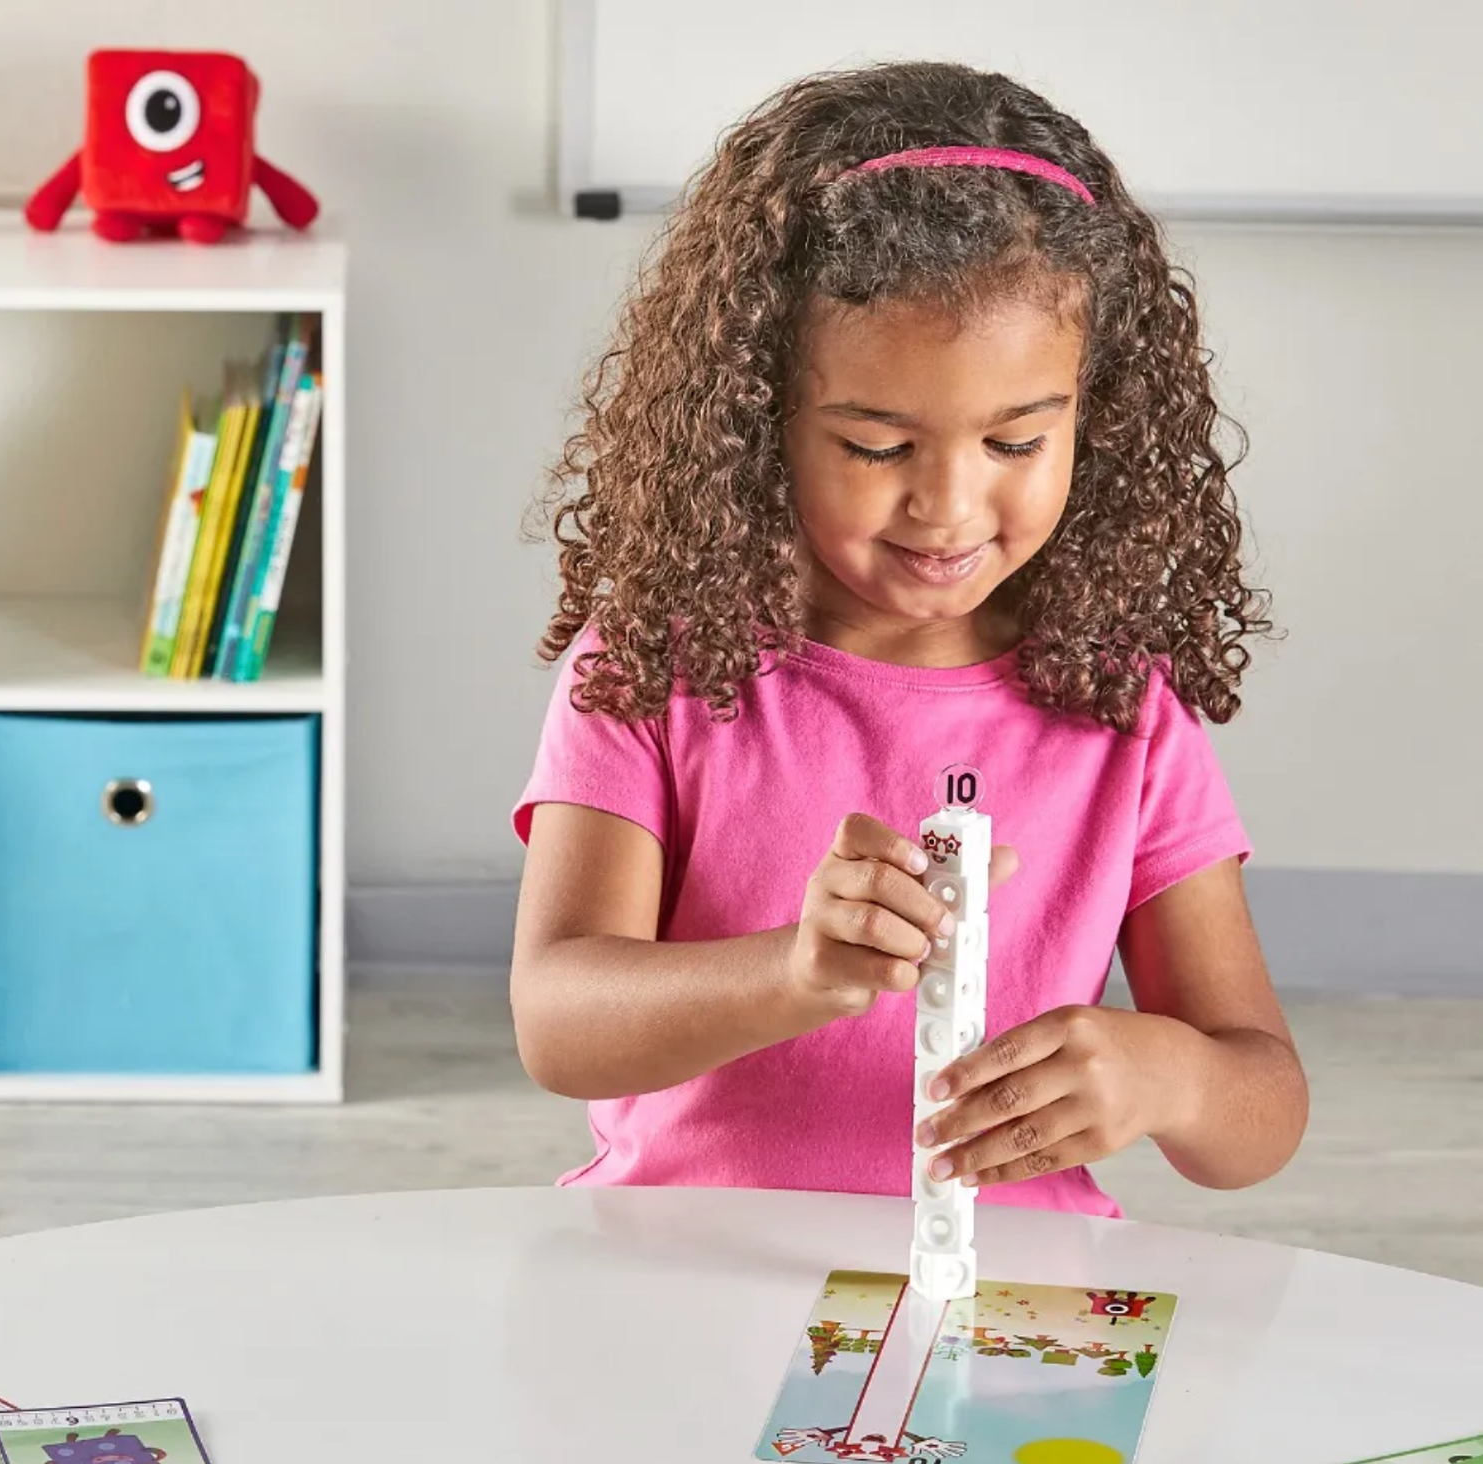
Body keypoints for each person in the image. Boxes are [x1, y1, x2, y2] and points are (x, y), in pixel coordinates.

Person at [510, 60, 1307, 1216]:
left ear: (1094, 415)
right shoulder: (657, 667)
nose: (945, 506)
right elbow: (559, 1026)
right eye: (878, 448)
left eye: (1015, 444)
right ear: (758, 418)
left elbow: (1259, 1114)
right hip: (686, 1273)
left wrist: (1167, 1076)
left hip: (1010, 1302)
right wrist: (793, 972)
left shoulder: (1115, 704)